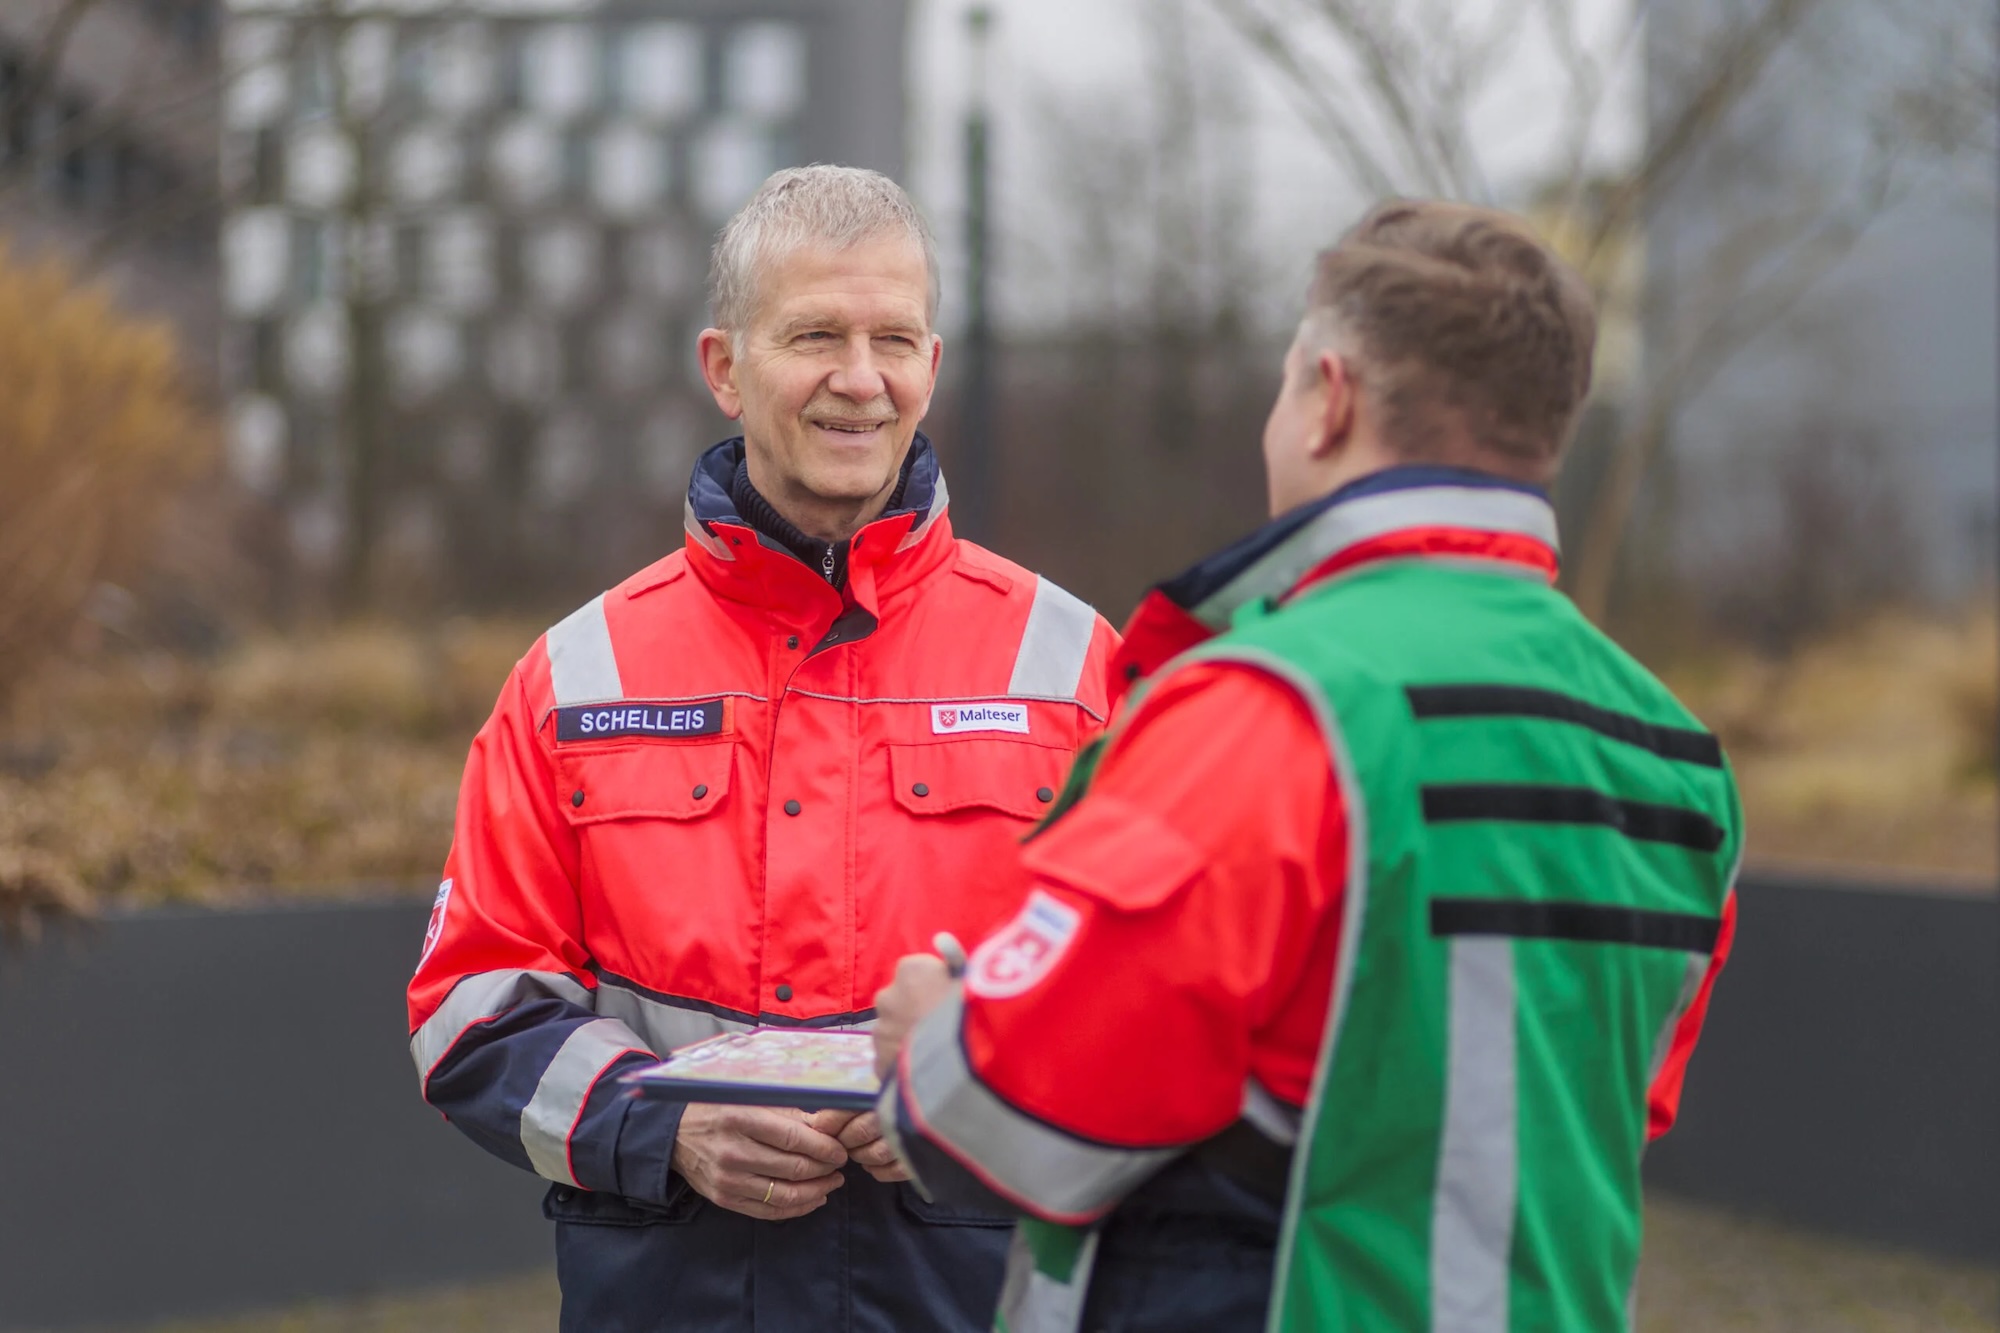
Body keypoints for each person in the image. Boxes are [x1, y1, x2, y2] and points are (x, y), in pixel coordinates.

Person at [871, 199, 1742, 1332]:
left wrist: (932, 1031)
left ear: (1328, 397)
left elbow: (1008, 1113)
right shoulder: (1673, 758)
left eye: (1286, 385)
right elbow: (1598, 1110)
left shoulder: (1262, 709)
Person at [407, 165, 1118, 1332]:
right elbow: (468, 1008)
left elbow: (1160, 997)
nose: (859, 377)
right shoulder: (575, 678)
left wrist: (979, 1083)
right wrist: (661, 1123)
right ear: (725, 368)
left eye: (893, 336)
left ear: (932, 367)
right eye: (813, 335)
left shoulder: (1074, 666)